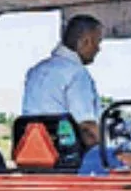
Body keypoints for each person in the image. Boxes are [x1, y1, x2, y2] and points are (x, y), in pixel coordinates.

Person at [22, 15, 105, 149]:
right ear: (86, 42)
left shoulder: (35, 71)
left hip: (32, 150)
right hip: (67, 155)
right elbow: (87, 128)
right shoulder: (77, 74)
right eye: (98, 42)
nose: (98, 49)